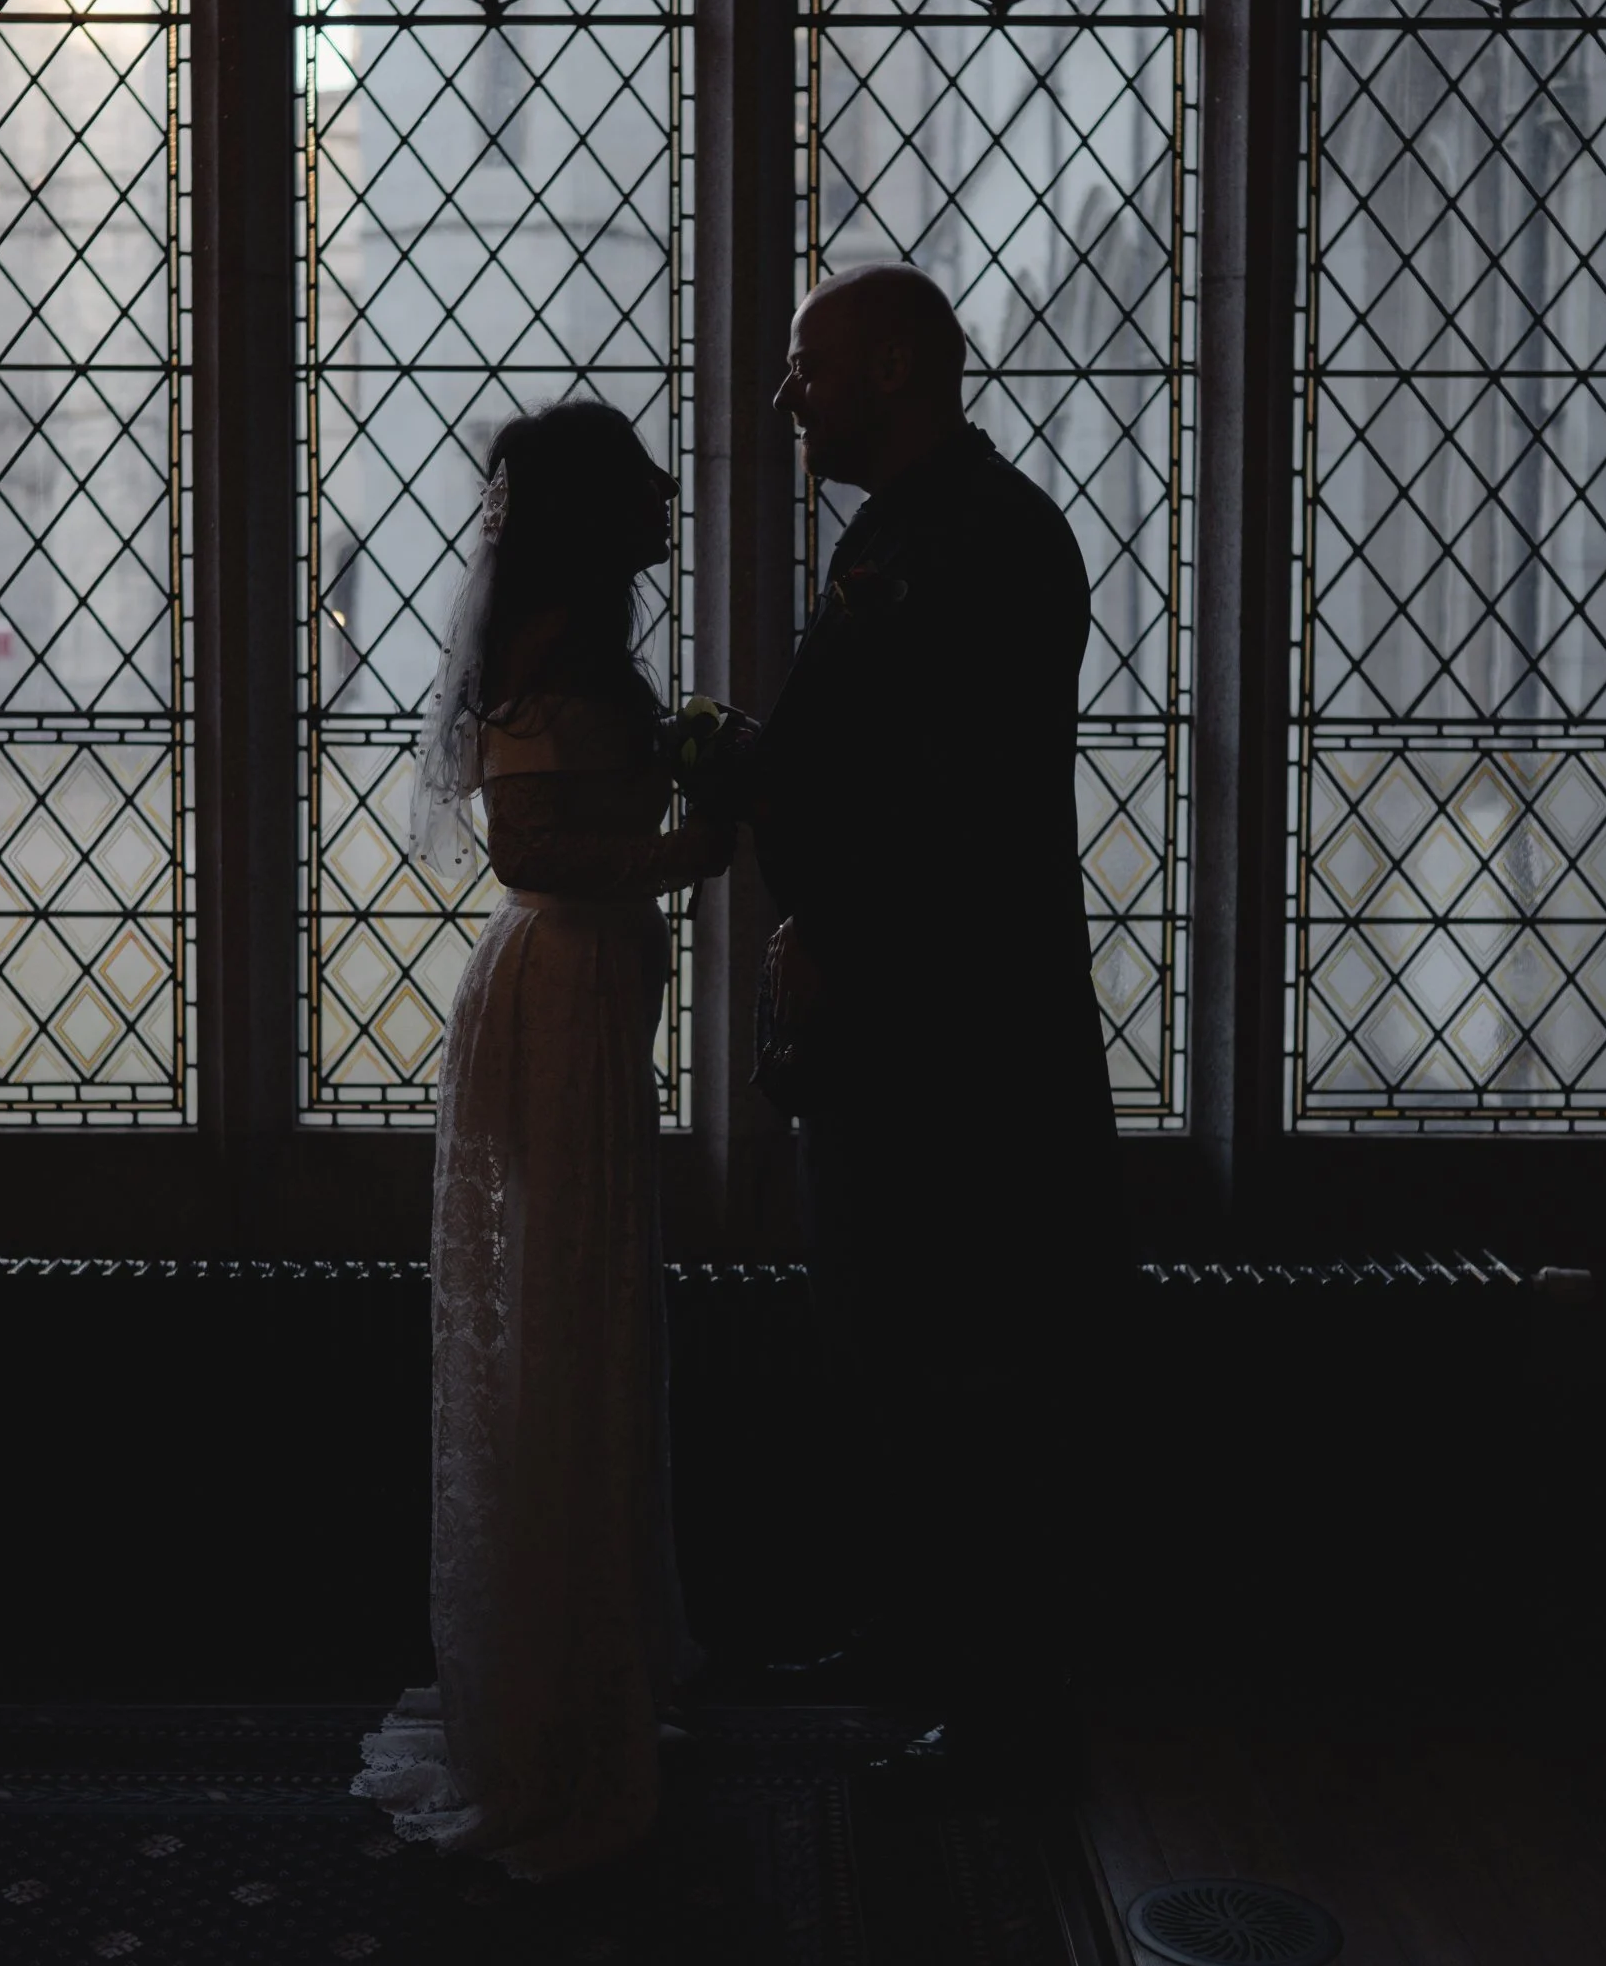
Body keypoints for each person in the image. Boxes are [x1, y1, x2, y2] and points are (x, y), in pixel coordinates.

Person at [743, 260, 1121, 1780]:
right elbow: (860, 753)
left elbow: (958, 798)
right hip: (887, 1021)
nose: (787, 395)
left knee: (974, 1363)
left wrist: (836, 928)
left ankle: (1005, 1709)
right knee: (887, 1349)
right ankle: (914, 1638)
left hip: (962, 1038)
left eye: (808, 365)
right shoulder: (903, 529)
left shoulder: (995, 538)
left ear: (895, 368)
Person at [354, 398, 733, 1878]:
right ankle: (557, 1702)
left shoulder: (581, 645)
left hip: (586, 983)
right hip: (560, 988)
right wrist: (690, 849)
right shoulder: (552, 652)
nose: (664, 490)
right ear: (589, 508)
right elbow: (527, 846)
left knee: (585, 1321)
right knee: (562, 1328)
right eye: (639, 477)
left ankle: (591, 1665)